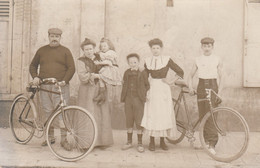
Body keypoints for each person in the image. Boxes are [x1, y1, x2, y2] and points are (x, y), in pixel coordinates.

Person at [29, 28, 75, 149]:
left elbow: (71, 68)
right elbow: (33, 65)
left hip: (60, 86)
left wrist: (64, 81)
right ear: (48, 36)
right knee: (47, 111)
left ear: (60, 38)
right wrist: (35, 77)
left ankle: (64, 140)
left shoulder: (65, 51)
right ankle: (50, 137)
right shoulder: (41, 51)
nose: (54, 38)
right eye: (52, 36)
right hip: (44, 87)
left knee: (62, 112)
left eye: (57, 36)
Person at [141, 38, 184, 151]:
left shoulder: (167, 59)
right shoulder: (147, 61)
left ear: (161, 49)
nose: (155, 50)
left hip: (164, 88)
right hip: (153, 88)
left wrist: (170, 81)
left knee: (163, 113)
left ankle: (162, 141)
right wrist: (146, 89)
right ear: (151, 49)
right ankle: (151, 141)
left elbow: (180, 71)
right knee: (152, 113)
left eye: (157, 48)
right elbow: (145, 76)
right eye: (153, 48)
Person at [188, 37, 223, 155]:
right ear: (201, 47)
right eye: (204, 46)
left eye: (209, 46)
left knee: (212, 114)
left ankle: (212, 144)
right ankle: (205, 141)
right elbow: (190, 75)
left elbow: (222, 77)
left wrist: (220, 92)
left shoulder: (217, 59)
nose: (206, 48)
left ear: (212, 47)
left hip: (213, 86)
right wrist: (190, 87)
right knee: (203, 114)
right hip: (201, 85)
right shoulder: (197, 59)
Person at [77, 38, 114, 148]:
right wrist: (94, 76)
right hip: (87, 90)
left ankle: (102, 141)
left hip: (101, 87)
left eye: (91, 49)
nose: (89, 51)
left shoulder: (100, 57)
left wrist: (102, 77)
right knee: (88, 113)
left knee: (102, 113)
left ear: (94, 49)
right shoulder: (80, 61)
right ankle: (87, 143)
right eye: (86, 49)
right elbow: (83, 77)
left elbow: (109, 70)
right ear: (83, 50)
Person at [121, 53, 149, 153]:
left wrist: (144, 95)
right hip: (128, 98)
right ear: (128, 63)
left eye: (135, 62)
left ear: (138, 62)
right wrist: (123, 97)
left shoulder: (143, 73)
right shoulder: (126, 72)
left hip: (138, 99)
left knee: (139, 120)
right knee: (129, 119)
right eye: (130, 62)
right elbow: (124, 84)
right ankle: (129, 142)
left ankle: (140, 143)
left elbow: (147, 85)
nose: (133, 64)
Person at [92, 37, 122, 104]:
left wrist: (99, 63)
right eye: (102, 46)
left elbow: (109, 63)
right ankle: (102, 95)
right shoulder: (102, 53)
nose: (103, 47)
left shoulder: (111, 52)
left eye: (105, 46)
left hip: (111, 69)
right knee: (101, 80)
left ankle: (107, 97)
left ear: (109, 46)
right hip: (106, 69)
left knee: (103, 79)